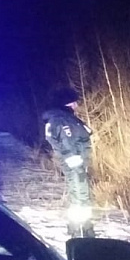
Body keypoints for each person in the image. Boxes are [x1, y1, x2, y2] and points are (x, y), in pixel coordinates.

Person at [42, 88, 95, 238]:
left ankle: (75, 226)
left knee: (77, 195)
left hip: (76, 163)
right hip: (75, 164)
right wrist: (74, 159)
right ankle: (84, 230)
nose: (76, 105)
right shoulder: (62, 120)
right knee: (81, 196)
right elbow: (66, 141)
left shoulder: (64, 118)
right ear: (67, 103)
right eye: (74, 102)